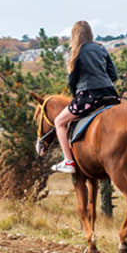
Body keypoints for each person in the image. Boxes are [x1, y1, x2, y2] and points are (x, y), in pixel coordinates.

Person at [51, 20, 120, 173]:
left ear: (74, 35)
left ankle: (68, 161)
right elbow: (113, 75)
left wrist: (76, 96)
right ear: (90, 33)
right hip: (110, 95)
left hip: (88, 96)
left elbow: (72, 80)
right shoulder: (101, 49)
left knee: (59, 122)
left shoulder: (74, 51)